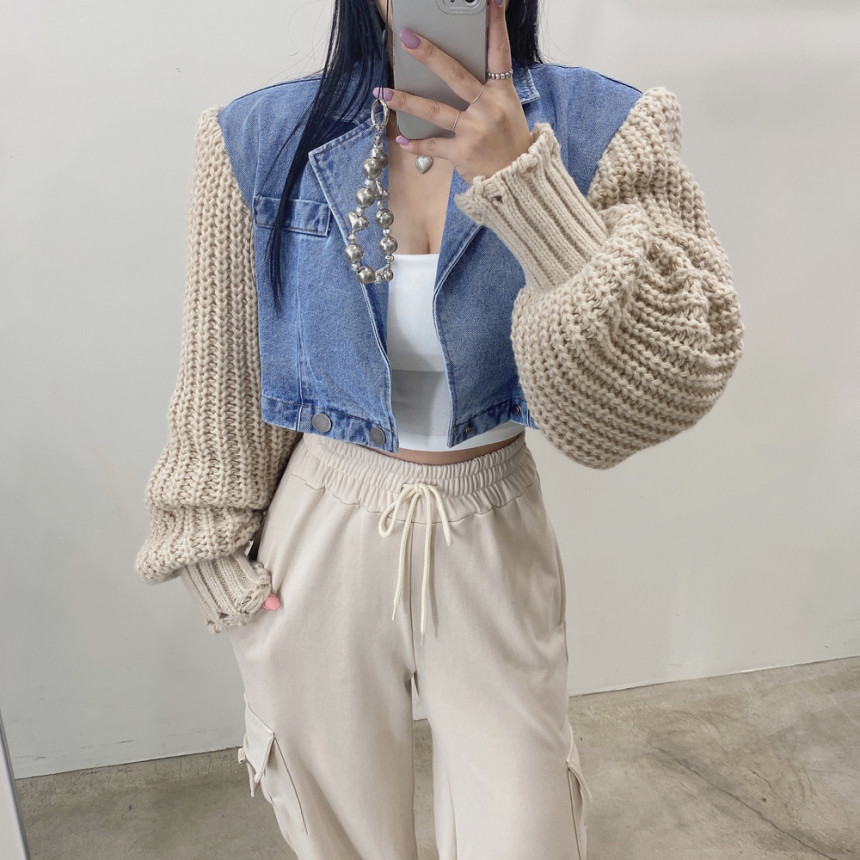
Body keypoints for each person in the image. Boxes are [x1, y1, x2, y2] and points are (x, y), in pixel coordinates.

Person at [135, 0, 743, 856]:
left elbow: (674, 374)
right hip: (320, 530)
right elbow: (225, 362)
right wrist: (204, 531)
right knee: (338, 834)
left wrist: (528, 182)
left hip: (489, 518)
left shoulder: (608, 127)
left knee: (525, 828)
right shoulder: (256, 135)